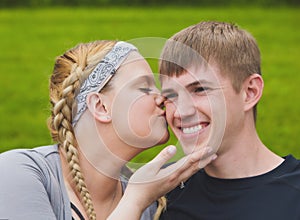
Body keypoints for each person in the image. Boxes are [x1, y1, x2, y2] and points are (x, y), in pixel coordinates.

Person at [0, 40, 217, 220]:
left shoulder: (150, 204)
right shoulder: (18, 173)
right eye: (144, 88)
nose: (161, 98)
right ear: (100, 106)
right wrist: (135, 200)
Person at [157, 21, 300, 219]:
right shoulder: (161, 190)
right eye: (171, 96)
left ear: (250, 92)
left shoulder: (294, 196)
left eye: (199, 90)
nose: (181, 112)